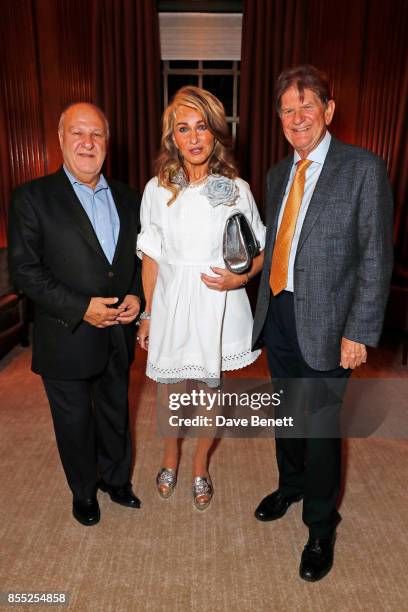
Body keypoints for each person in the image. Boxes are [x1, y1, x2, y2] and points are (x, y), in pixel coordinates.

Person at [252, 65, 393, 581]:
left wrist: (359, 330)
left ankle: (320, 525)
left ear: (328, 111)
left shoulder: (362, 169)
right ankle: (290, 486)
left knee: (320, 428)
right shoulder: (275, 174)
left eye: (306, 106)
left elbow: (375, 257)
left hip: (332, 323)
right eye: (287, 109)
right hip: (279, 313)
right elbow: (274, 245)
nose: (296, 117)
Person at [8, 103, 142, 526]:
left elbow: (138, 260)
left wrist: (138, 296)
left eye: (97, 135)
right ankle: (84, 492)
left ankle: (117, 480)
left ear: (107, 143)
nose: (88, 143)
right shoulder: (32, 197)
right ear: (61, 139)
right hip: (65, 334)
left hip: (118, 331)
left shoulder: (128, 195)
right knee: (74, 422)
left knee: (115, 411)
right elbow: (25, 271)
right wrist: (82, 308)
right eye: (78, 133)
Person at [137, 86, 266, 510]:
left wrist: (240, 278)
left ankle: (199, 466)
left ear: (214, 134)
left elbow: (261, 250)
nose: (193, 138)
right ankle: (169, 457)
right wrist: (149, 314)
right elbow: (151, 259)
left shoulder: (236, 188)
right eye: (183, 129)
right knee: (169, 394)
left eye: (202, 128)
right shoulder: (157, 189)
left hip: (217, 306)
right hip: (172, 305)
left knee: (211, 395)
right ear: (172, 137)